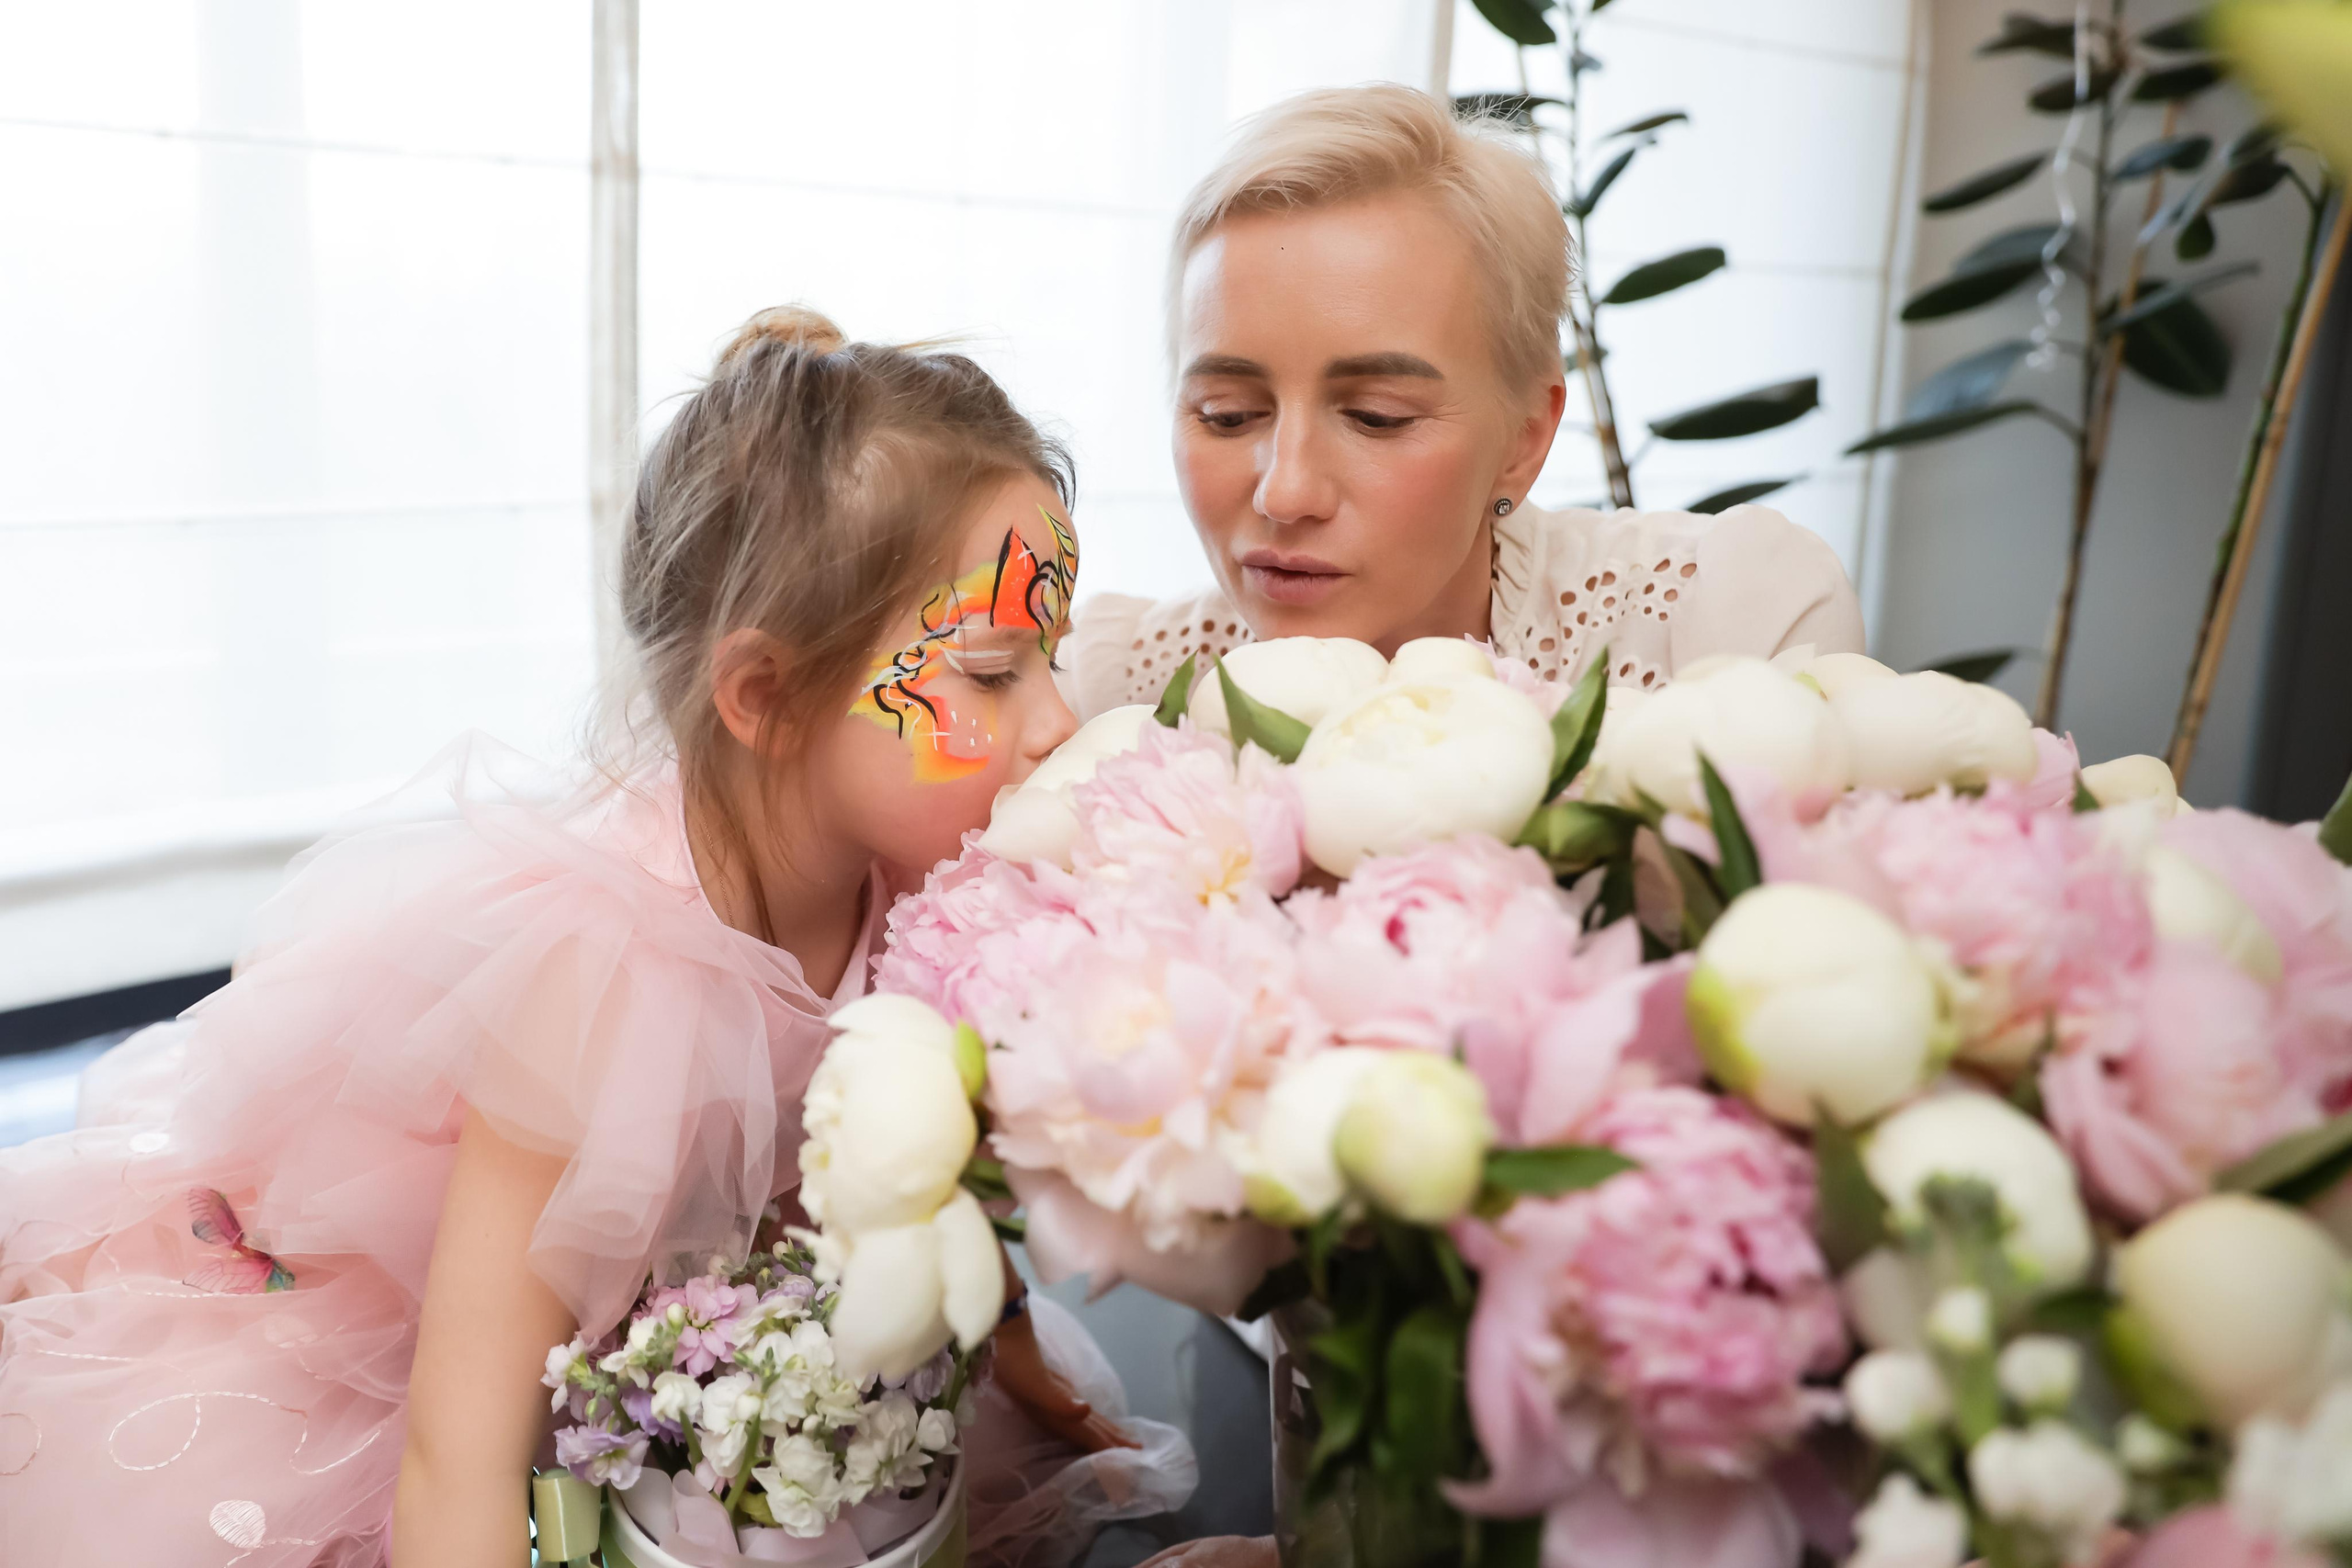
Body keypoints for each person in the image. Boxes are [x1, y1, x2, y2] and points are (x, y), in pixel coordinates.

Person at [0, 309, 1147, 1565]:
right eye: (991, 670)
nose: (1055, 719)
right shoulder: (596, 984)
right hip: (454, 1343)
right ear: (762, 696)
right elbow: (461, 1451)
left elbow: (901, 1170)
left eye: (1050, 656)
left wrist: (1014, 1348)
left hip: (708, 1338)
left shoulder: (920, 870)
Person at [1059, 84, 1863, 720]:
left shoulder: (1727, 621)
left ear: (1525, 435)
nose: (1286, 492)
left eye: (1377, 415)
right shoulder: (1115, 683)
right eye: (1227, 414)